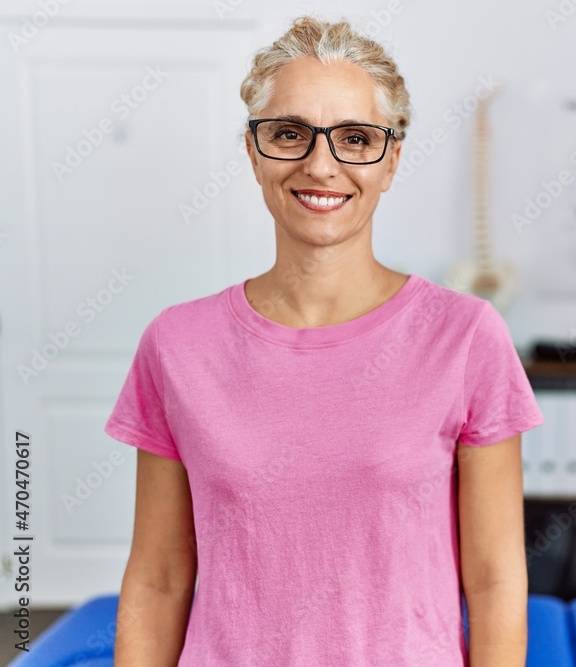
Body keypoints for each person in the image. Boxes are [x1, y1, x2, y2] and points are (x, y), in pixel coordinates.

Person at [106, 15, 544, 666]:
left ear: (391, 158)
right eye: (290, 133)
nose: (321, 164)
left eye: (355, 138)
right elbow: (158, 579)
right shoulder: (176, 344)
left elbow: (496, 582)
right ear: (254, 151)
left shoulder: (465, 336)